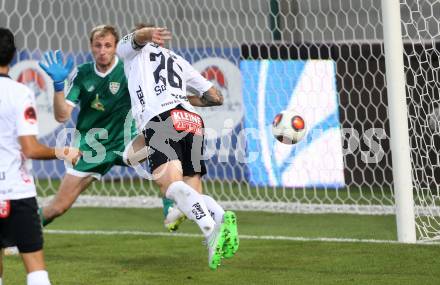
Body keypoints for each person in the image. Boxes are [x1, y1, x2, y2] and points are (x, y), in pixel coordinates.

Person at [37, 24, 184, 230]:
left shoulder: (128, 69)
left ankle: (170, 206)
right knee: (58, 207)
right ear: (91, 47)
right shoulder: (82, 73)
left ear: (116, 47)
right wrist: (58, 86)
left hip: (125, 142)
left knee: (161, 141)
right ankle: (18, 234)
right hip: (91, 149)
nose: (102, 50)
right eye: (98, 45)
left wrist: (188, 101)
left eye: (108, 45)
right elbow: (62, 116)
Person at [117, 26, 239, 270]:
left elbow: (137, 38)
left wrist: (146, 32)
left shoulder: (132, 52)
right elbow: (215, 97)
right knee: (187, 192)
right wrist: (182, 98)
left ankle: (210, 229)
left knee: (171, 187)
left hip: (161, 120)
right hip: (192, 121)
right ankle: (220, 216)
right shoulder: (178, 60)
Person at [0, 27, 80, 285]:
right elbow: (31, 149)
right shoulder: (19, 93)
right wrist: (63, 151)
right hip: (15, 192)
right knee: (35, 267)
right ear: (13, 56)